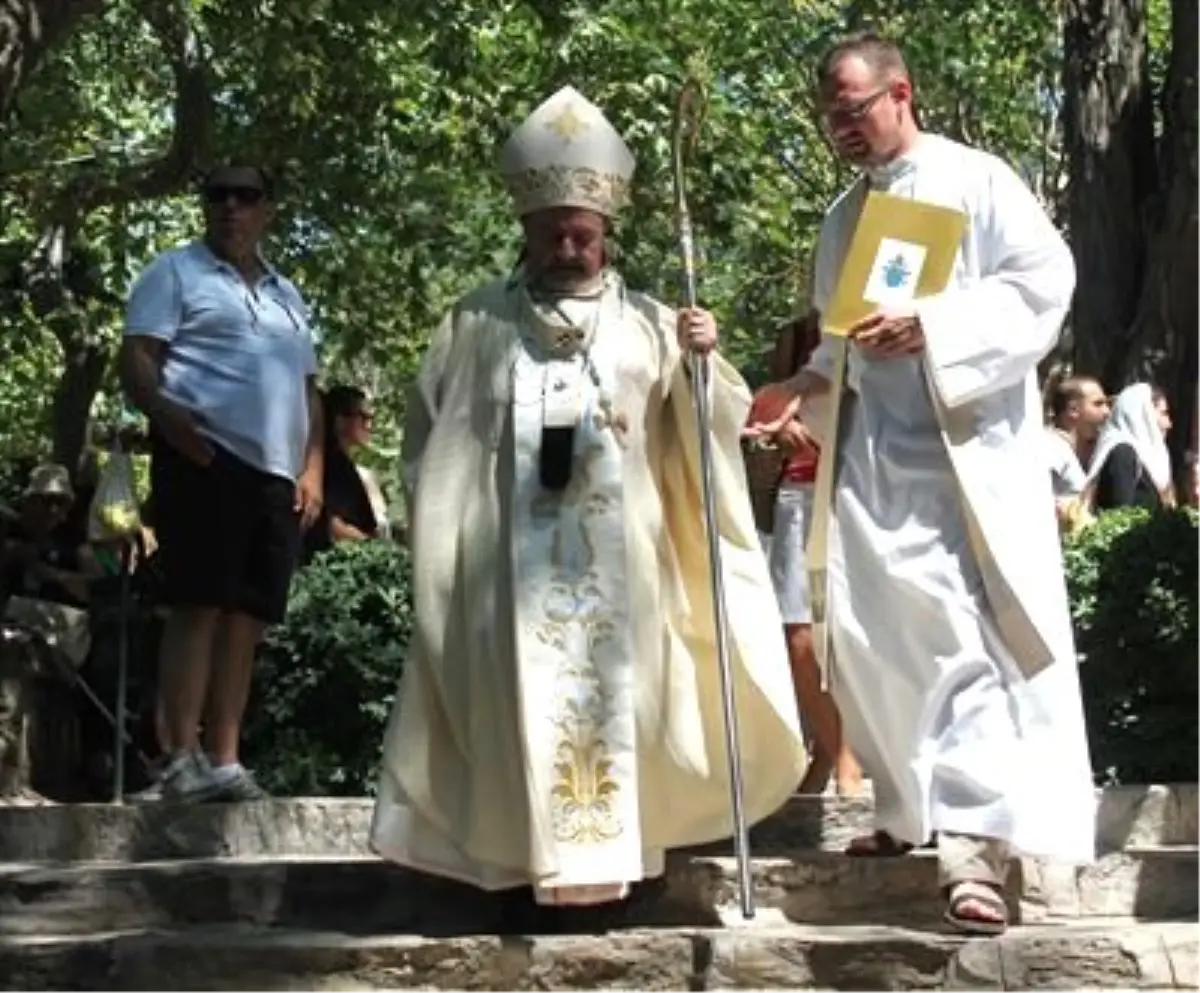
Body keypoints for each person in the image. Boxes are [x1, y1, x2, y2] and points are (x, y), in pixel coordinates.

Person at [370, 85, 804, 916]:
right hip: (511, 566)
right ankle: (518, 870)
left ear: (607, 234)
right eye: (554, 232)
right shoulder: (474, 324)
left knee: (623, 700)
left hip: (625, 561)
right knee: (516, 710)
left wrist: (705, 362)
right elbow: (433, 441)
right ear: (527, 231)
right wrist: (440, 539)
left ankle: (620, 869)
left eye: (585, 233)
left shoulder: (650, 321)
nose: (570, 245)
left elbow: (706, 429)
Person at [746, 34, 1095, 935]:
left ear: (900, 91)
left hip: (961, 461)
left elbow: (1045, 281)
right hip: (870, 465)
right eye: (830, 117)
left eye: (853, 110)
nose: (841, 130)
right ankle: (906, 811)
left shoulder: (978, 180)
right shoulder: (840, 221)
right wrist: (799, 390)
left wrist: (936, 326)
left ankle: (976, 852)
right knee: (872, 637)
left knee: (966, 643)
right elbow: (836, 346)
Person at [119, 163, 323, 802]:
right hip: (204, 459)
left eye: (246, 196)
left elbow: (309, 390)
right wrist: (171, 422)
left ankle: (224, 759)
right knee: (198, 604)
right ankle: (178, 759)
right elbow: (138, 359)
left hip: (274, 474)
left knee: (247, 617)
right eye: (218, 195)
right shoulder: (174, 272)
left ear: (269, 208)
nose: (230, 207)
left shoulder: (288, 295)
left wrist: (312, 465)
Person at [752, 313, 862, 797]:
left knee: (849, 632)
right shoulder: (795, 335)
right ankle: (834, 749)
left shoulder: (884, 324)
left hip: (860, 492)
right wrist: (784, 426)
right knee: (796, 632)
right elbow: (766, 408)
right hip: (798, 490)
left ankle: (841, 752)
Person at [302, 385, 389, 562]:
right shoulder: (327, 465)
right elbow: (331, 523)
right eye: (363, 417)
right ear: (340, 420)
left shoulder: (347, 465)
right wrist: (372, 549)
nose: (369, 425)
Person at [1085, 383, 1174, 511]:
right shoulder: (1122, 454)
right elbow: (1120, 514)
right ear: (1144, 414)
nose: (1168, 424)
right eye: (1163, 413)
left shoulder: (1144, 457)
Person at [1041, 368, 1109, 527]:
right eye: (1098, 404)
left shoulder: (1078, 453)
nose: (1107, 411)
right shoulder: (1050, 447)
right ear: (1073, 410)